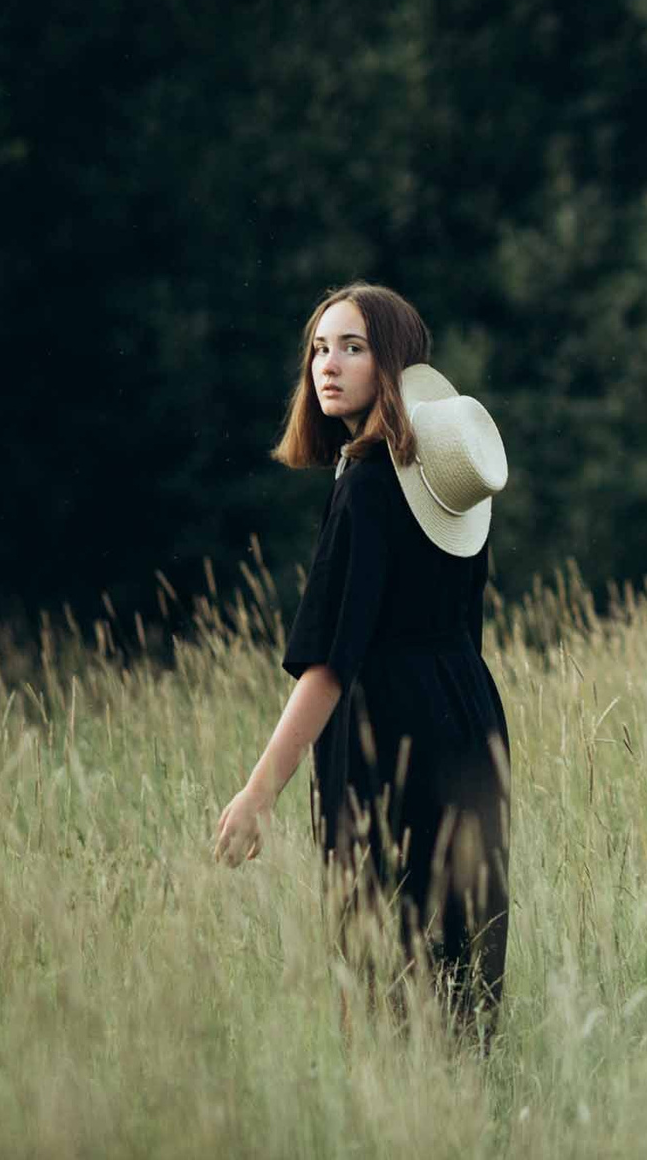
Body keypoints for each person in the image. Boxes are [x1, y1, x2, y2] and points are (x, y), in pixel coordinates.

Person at [212, 281, 513, 1049]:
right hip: (470, 718)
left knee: (383, 947)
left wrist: (259, 791)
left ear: (394, 364)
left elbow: (329, 663)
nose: (328, 364)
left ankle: (396, 1099)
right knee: (462, 946)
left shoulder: (368, 486)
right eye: (319, 348)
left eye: (353, 347)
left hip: (391, 731)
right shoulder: (442, 479)